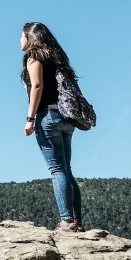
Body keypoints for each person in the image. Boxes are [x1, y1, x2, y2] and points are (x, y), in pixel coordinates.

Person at [21, 22, 84, 232]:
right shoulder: (57, 58)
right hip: (67, 117)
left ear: (30, 37)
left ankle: (66, 221)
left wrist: (30, 118)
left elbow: (37, 86)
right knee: (66, 169)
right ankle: (76, 221)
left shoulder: (35, 56)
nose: (19, 41)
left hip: (47, 116)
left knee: (57, 169)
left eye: (21, 36)